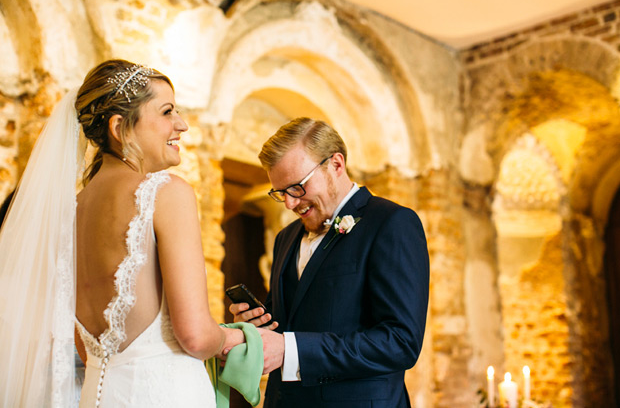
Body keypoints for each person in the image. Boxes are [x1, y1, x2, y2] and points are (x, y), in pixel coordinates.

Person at [0, 59, 245, 407]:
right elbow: (194, 335)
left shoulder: (67, 213)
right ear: (119, 127)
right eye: (167, 112)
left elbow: (87, 351)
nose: (182, 125)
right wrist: (235, 337)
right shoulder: (167, 192)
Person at [231, 117, 430, 408]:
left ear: (336, 165)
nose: (289, 203)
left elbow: (400, 342)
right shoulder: (286, 237)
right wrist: (255, 327)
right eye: (280, 192)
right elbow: (289, 322)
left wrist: (291, 349)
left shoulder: (391, 223)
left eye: (297, 186)